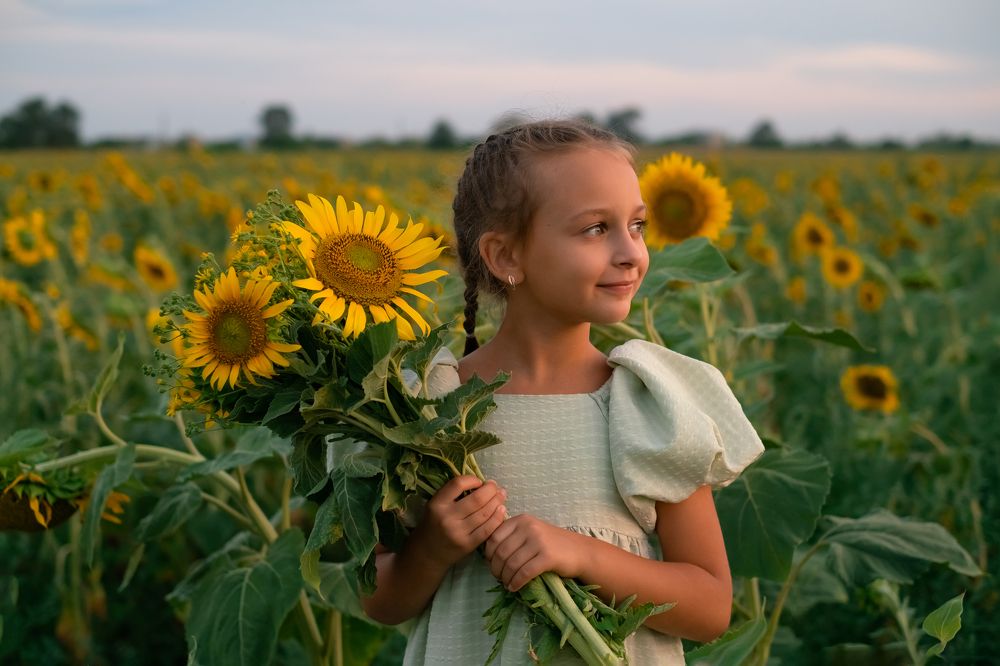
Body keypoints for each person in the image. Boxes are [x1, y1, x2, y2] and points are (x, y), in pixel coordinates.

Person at [360, 119, 765, 665]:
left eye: (637, 225)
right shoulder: (428, 407)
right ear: (506, 257)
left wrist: (583, 555)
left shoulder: (646, 401)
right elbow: (379, 599)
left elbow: (711, 606)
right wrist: (431, 550)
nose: (630, 252)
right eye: (596, 229)